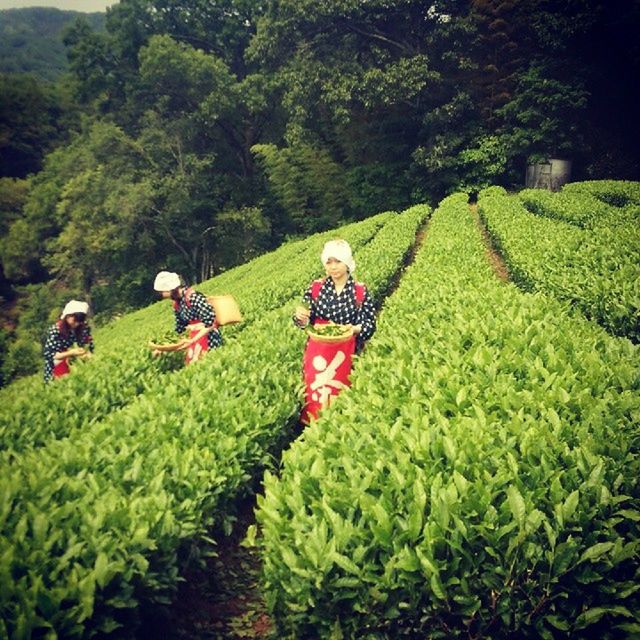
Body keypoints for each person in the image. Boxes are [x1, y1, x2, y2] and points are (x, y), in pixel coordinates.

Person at [294, 239, 376, 423]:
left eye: (337, 261)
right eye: (328, 262)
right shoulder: (315, 288)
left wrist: (354, 328)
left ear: (347, 263)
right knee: (316, 396)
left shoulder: (359, 291)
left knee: (342, 395)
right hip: (319, 352)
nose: (333, 267)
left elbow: (370, 325)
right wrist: (301, 317)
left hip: (347, 350)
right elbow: (304, 320)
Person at [153, 271, 222, 364]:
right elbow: (180, 329)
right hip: (193, 338)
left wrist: (192, 340)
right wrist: (164, 348)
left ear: (171, 289)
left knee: (208, 363)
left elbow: (211, 322)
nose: (163, 295)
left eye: (163, 292)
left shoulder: (193, 297)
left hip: (208, 338)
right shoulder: (177, 304)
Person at [43, 300, 94, 382]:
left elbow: (89, 345)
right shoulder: (56, 330)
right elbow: (51, 355)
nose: (77, 323)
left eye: (80, 321)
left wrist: (86, 354)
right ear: (67, 316)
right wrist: (71, 353)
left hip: (78, 366)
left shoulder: (83, 328)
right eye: (75, 320)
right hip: (58, 367)